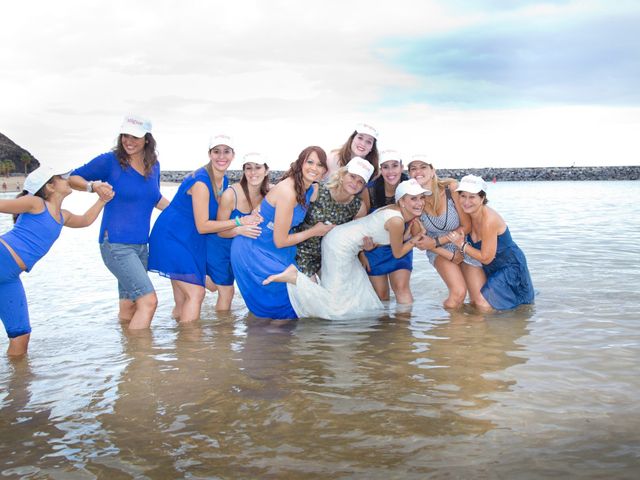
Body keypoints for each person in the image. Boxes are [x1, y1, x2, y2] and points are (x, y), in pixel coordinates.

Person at [263, 179, 430, 320]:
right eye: (413, 199)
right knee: (336, 300)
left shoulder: (394, 211)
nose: (420, 202)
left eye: (422, 198)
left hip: (344, 242)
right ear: (401, 201)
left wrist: (409, 236)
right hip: (338, 246)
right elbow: (398, 253)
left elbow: (383, 236)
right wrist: (415, 239)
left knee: (358, 292)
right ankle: (295, 278)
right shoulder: (396, 221)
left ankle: (373, 329)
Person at [69, 115, 169, 330]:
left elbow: (154, 198)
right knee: (148, 302)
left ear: (147, 139)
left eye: (135, 136)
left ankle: (127, 356)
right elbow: (72, 178)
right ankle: (143, 359)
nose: (128, 141)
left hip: (142, 245)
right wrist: (93, 186)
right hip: (115, 243)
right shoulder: (110, 161)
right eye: (125, 135)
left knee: (129, 305)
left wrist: (181, 214)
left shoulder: (154, 166)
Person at [0, 164, 112, 356]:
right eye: (61, 177)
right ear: (49, 186)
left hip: (10, 277)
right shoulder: (35, 203)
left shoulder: (63, 216)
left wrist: (102, 200)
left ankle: (17, 384)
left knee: (21, 336)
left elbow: (85, 220)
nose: (66, 179)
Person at [148, 136, 261, 321]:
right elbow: (203, 226)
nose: (221, 156)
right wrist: (240, 222)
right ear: (210, 154)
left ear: (233, 155)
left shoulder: (222, 180)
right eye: (216, 151)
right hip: (172, 237)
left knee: (183, 299)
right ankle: (192, 347)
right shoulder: (201, 182)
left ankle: (179, 342)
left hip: (188, 239)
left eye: (226, 151)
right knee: (196, 294)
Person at [230, 146, 334, 320]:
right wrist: (315, 231)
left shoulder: (309, 187)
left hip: (273, 248)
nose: (314, 168)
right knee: (286, 305)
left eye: (319, 165)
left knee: (286, 311)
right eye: (310, 162)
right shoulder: (289, 191)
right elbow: (281, 240)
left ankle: (267, 341)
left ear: (324, 170)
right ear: (301, 163)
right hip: (254, 248)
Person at [449, 175, 535, 311]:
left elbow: (486, 258)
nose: (466, 202)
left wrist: (462, 245)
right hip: (489, 267)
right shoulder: (467, 215)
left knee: (509, 307)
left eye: (472, 197)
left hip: (509, 265)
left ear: (482, 198)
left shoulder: (489, 220)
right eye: (463, 196)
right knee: (478, 304)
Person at [409, 155, 481, 309]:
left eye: (423, 167)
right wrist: (447, 253)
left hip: (462, 243)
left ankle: (474, 331)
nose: (418, 172)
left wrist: (442, 242)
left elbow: (466, 226)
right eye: (413, 168)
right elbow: (422, 242)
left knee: (480, 301)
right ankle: (451, 330)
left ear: (432, 170)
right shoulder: (412, 199)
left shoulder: (451, 189)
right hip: (438, 250)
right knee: (458, 293)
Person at [294, 157, 372, 278]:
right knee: (311, 292)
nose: (355, 183)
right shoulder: (316, 191)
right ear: (342, 175)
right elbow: (286, 206)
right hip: (302, 252)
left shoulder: (358, 207)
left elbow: (357, 236)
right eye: (352, 176)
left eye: (360, 181)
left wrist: (362, 252)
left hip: (332, 257)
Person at [214, 152, 271, 310]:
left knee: (254, 288)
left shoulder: (270, 194)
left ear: (266, 170)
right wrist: (238, 230)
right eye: (248, 168)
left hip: (245, 251)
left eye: (258, 168)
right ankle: (223, 333)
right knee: (227, 293)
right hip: (222, 247)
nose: (253, 173)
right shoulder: (230, 195)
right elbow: (220, 231)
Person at [360, 149, 413, 304]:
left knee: (401, 288)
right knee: (381, 297)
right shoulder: (369, 190)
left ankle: (405, 327)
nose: (391, 171)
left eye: (394, 166)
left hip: (401, 243)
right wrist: (362, 252)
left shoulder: (410, 186)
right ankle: (385, 329)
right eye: (385, 167)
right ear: (380, 170)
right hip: (375, 248)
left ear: (401, 167)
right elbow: (362, 223)